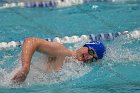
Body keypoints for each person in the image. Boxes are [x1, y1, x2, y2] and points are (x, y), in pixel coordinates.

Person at [11, 37, 106, 83]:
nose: (89, 57)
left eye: (93, 59)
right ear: (85, 46)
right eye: (90, 52)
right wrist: (25, 67)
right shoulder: (62, 52)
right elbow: (30, 41)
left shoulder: (75, 69)